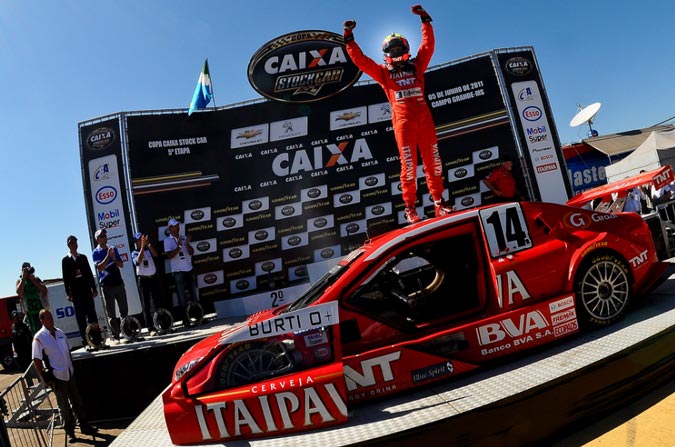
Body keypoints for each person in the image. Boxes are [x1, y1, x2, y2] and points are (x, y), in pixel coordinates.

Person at [343, 5, 453, 224]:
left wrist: (425, 20)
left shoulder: (416, 66)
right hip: (403, 123)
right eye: (391, 50)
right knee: (409, 165)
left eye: (398, 49)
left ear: (405, 49)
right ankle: (410, 207)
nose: (395, 53)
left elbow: (428, 47)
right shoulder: (383, 73)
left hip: (424, 120)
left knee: (433, 162)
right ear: (386, 54)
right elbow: (361, 61)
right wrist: (349, 38)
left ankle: (439, 202)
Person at [32, 309, 97, 441]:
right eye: (48, 318)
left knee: (77, 401)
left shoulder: (60, 332)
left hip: (69, 373)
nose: (51, 319)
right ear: (42, 320)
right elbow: (36, 360)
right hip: (57, 376)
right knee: (64, 406)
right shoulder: (39, 338)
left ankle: (84, 425)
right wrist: (44, 378)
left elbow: (68, 350)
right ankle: (69, 430)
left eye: (51, 317)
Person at [62, 235, 100, 348]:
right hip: (76, 293)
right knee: (81, 318)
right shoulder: (65, 260)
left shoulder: (83, 257)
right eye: (72, 243)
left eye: (75, 242)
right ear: (68, 245)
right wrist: (68, 293)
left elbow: (88, 273)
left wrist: (93, 288)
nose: (74, 244)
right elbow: (65, 278)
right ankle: (86, 341)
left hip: (86, 291)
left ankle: (97, 339)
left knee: (92, 315)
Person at [91, 229, 128, 341]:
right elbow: (100, 268)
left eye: (105, 235)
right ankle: (115, 336)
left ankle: (126, 332)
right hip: (107, 286)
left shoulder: (113, 249)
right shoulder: (95, 252)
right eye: (102, 236)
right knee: (111, 313)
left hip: (118, 283)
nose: (104, 237)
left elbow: (121, 264)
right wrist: (108, 256)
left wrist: (114, 258)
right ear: (97, 239)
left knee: (124, 310)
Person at [163, 219, 199, 325]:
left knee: (193, 294)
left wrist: (186, 243)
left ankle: (198, 317)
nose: (177, 227)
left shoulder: (183, 238)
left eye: (178, 225)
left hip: (189, 269)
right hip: (178, 271)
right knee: (181, 296)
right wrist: (178, 246)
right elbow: (170, 256)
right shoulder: (167, 240)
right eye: (174, 226)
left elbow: (192, 252)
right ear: (170, 228)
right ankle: (185, 320)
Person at [131, 232, 162, 333]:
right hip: (143, 280)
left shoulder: (148, 249)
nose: (142, 240)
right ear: (136, 242)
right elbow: (138, 261)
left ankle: (159, 325)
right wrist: (142, 248)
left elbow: (156, 254)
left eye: (142, 238)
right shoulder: (134, 252)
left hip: (152, 278)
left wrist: (148, 244)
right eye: (140, 239)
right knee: (146, 305)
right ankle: (150, 328)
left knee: (156, 302)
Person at [15, 262, 48, 333]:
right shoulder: (20, 281)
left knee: (45, 331)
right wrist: (23, 279)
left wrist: (33, 280)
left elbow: (45, 291)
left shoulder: (36, 279)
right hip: (30, 313)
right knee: (35, 333)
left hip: (40, 311)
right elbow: (19, 293)